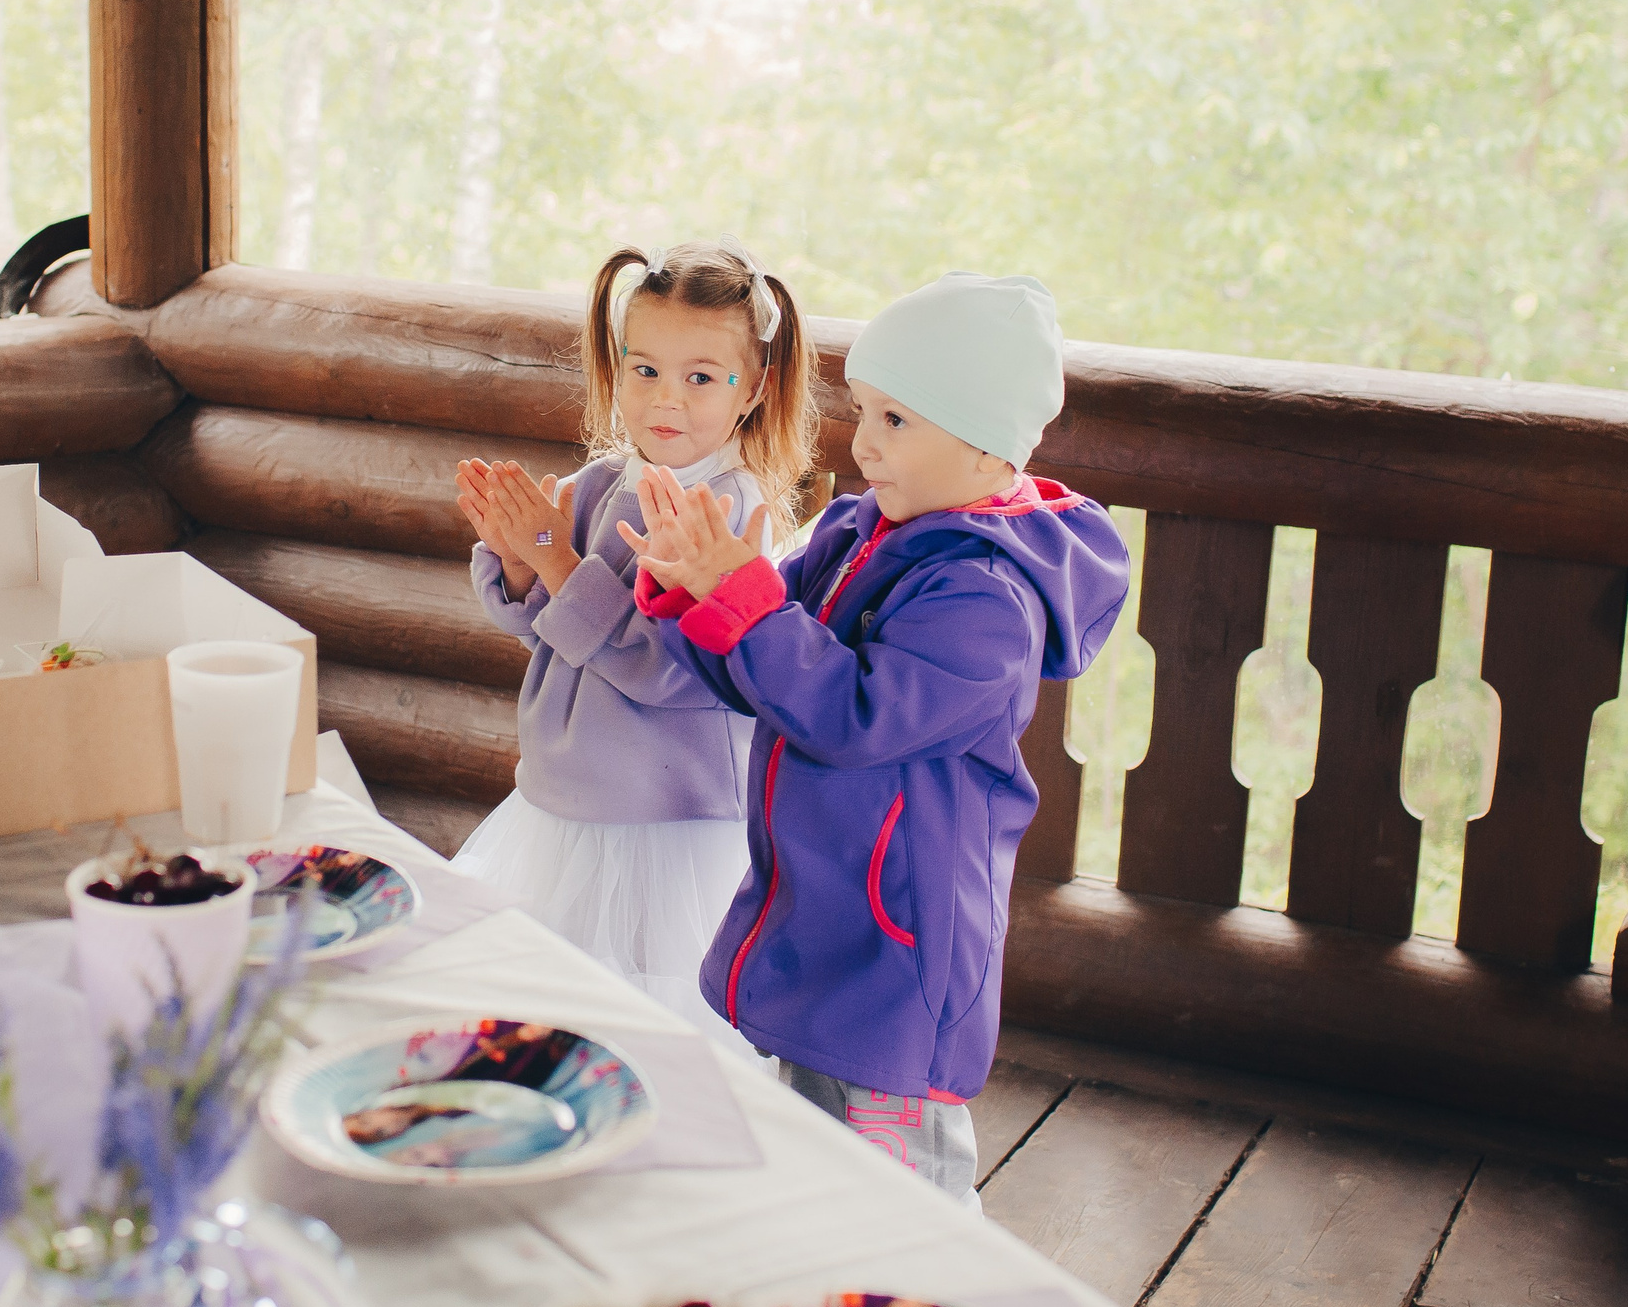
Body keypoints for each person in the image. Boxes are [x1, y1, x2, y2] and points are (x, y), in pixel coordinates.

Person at [623, 272, 1131, 1207]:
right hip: (829, 912)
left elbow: (852, 714)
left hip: (901, 945)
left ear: (985, 448)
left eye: (897, 421)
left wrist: (740, 596)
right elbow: (768, 680)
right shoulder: (863, 527)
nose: (862, 443)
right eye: (864, 411)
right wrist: (694, 591)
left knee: (901, 1198)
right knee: (819, 1167)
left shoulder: (987, 596)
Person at [453, 237, 819, 1046]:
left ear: (753, 387)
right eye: (644, 369)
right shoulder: (598, 486)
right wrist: (518, 562)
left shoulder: (733, 513)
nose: (667, 400)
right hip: (565, 802)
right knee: (548, 1009)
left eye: (701, 377)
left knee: (650, 1024)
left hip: (667, 824)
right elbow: (545, 635)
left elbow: (670, 674)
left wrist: (554, 557)